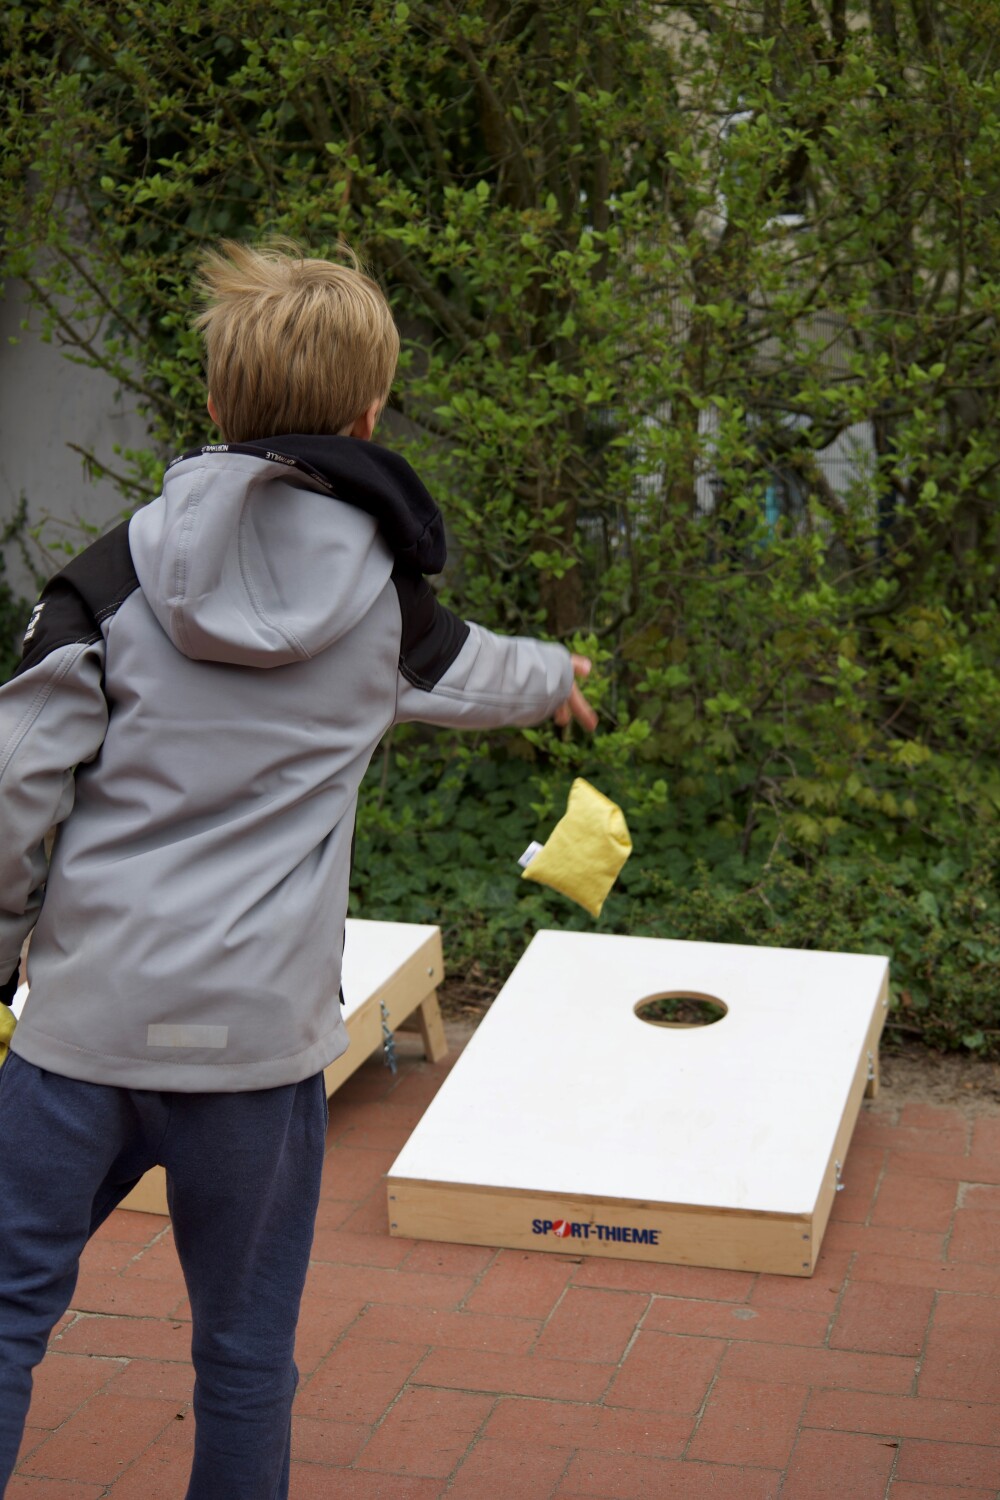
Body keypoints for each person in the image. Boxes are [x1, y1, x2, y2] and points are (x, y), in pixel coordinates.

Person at [0, 241, 596, 1498]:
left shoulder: (107, 583)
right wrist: (560, 686)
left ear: (214, 404)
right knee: (244, 1357)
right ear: (370, 413)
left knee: (4, 1320)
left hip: (83, 1045)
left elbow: (12, 791)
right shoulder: (389, 612)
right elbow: (488, 672)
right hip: (257, 1062)